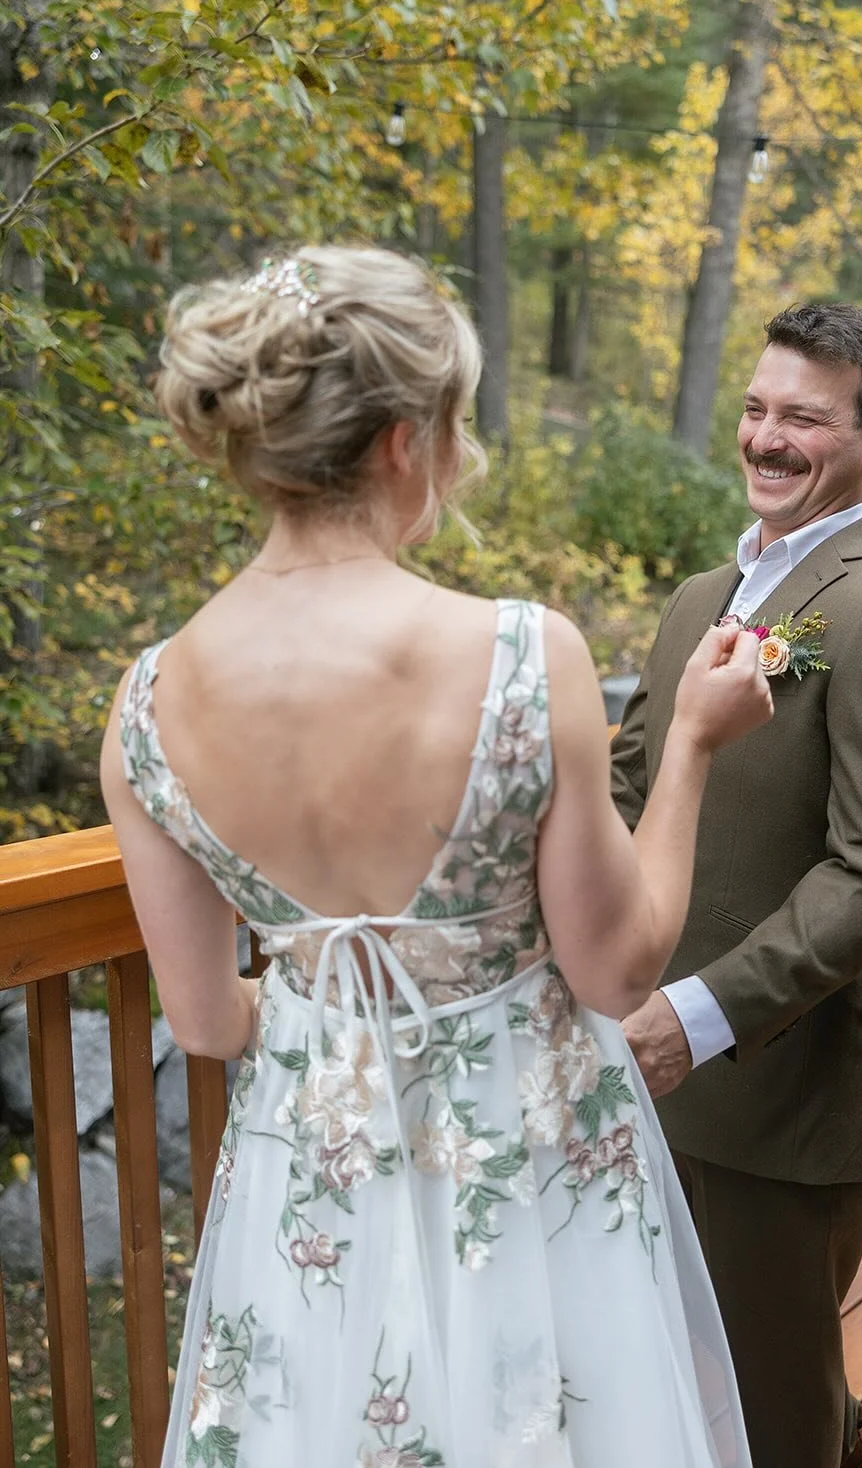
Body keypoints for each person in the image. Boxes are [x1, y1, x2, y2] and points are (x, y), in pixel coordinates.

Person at [100, 246, 775, 1468]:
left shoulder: (146, 703)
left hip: (317, 1181)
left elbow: (204, 1021)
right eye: (456, 424)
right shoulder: (522, 654)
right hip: (527, 1173)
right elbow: (620, 970)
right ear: (404, 441)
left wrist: (337, 1004)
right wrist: (688, 746)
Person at [611, 304, 862, 1468]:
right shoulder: (696, 601)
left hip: (778, 1096)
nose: (768, 439)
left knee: (772, 1415)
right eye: (759, 409)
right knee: (697, 1376)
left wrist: (695, 1018)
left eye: (805, 419)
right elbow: (623, 797)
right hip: (639, 1072)